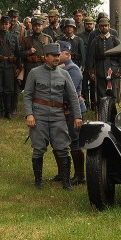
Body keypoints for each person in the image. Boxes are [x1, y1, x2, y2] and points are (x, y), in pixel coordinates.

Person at [23, 42, 82, 190]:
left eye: (58, 55)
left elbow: (73, 97)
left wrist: (77, 116)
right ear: (45, 57)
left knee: (63, 147)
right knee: (39, 148)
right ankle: (38, 181)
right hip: (39, 115)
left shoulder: (64, 74)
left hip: (58, 116)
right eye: (53, 56)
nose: (57, 58)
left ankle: (66, 182)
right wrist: (29, 114)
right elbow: (27, 95)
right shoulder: (34, 73)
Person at [49, 41, 87, 185]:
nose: (57, 57)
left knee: (74, 142)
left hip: (73, 110)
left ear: (67, 54)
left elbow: (67, 92)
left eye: (60, 54)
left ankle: (79, 176)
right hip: (61, 110)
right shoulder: (59, 69)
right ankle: (62, 173)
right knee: (57, 140)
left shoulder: (73, 70)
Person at [0, 16, 21, 119]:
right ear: (0, 24)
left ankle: (8, 111)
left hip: (9, 66)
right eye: (2, 24)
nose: (4, 26)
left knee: (9, 89)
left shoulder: (14, 37)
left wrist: (18, 67)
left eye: (6, 24)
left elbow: (17, 53)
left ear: (9, 25)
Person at [87, 17, 121, 103]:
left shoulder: (114, 40)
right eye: (102, 26)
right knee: (101, 95)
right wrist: (91, 72)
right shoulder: (95, 40)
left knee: (113, 94)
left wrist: (120, 70)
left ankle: (113, 114)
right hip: (100, 71)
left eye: (106, 26)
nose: (104, 27)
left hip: (113, 71)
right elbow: (91, 57)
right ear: (99, 27)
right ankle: (103, 114)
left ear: (109, 26)